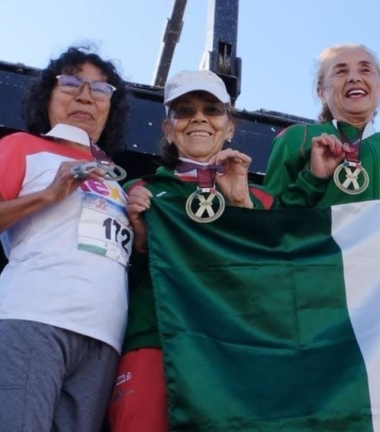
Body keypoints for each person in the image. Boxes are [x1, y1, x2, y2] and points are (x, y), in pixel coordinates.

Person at [0, 46, 131, 431]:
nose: (85, 96)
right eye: (70, 83)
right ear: (47, 95)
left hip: (103, 337)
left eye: (100, 90)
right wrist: (48, 195)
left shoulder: (117, 177)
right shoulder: (22, 146)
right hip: (32, 316)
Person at [108, 69, 266, 432]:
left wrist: (242, 205)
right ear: (168, 128)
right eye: (184, 110)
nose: (199, 118)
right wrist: (143, 245)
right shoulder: (137, 192)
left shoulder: (261, 200)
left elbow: (275, 285)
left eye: (212, 110)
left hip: (233, 347)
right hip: (155, 341)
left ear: (229, 127)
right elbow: (107, 281)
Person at [262, 43, 380, 211]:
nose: (354, 78)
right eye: (341, 71)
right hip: (327, 249)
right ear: (321, 92)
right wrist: (313, 179)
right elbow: (268, 221)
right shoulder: (296, 138)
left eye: (365, 70)